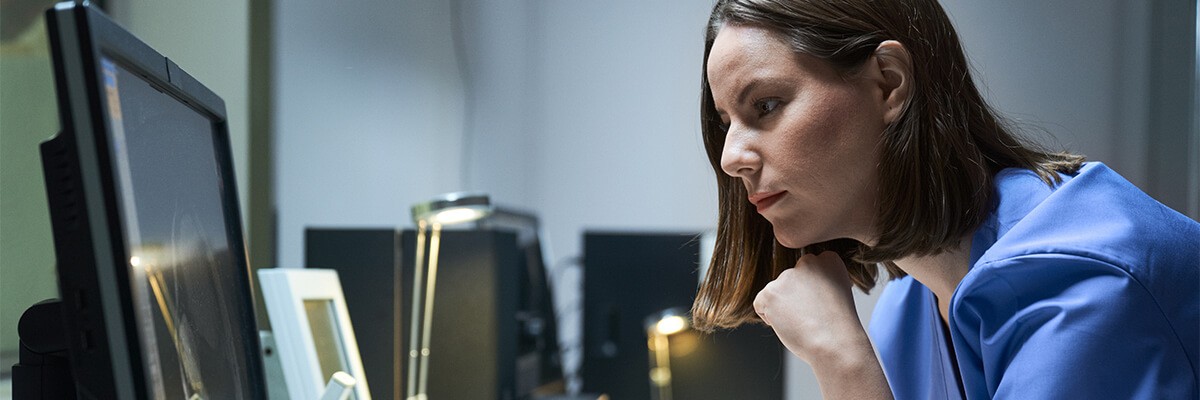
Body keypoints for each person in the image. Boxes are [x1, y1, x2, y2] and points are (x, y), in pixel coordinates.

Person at [689, 0, 1200, 399]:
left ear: (888, 84)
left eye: (767, 105)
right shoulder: (907, 314)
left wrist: (841, 360)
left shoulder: (1080, 284)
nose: (732, 156)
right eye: (727, 122)